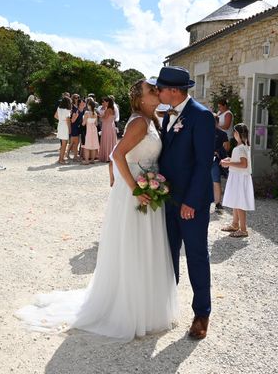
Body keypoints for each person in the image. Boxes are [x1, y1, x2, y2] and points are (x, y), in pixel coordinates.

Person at [16, 80, 179, 341]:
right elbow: (117, 154)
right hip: (136, 191)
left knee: (147, 246)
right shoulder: (138, 122)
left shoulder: (152, 120)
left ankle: (146, 307)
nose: (157, 92)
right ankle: (129, 310)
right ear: (140, 99)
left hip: (149, 186)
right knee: (135, 246)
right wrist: (136, 187)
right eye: (152, 91)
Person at [156, 66, 215, 340]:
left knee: (196, 256)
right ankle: (167, 306)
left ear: (175, 91)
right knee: (168, 254)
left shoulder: (201, 116)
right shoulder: (167, 115)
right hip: (167, 199)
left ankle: (202, 313)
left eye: (161, 88)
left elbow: (204, 163)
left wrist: (191, 201)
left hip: (192, 203)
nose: (157, 92)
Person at [220, 124, 255, 237]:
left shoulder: (240, 148)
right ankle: (235, 224)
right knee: (236, 201)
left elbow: (243, 164)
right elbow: (240, 161)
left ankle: (243, 229)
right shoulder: (242, 147)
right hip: (237, 177)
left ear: (238, 134)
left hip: (240, 178)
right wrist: (229, 159)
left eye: (234, 132)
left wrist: (228, 163)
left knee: (240, 203)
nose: (233, 134)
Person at [212, 114, 229, 212]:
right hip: (205, 159)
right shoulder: (203, 132)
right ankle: (215, 202)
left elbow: (226, 148)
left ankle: (217, 202)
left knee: (215, 181)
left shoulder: (222, 134)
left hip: (215, 159)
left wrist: (218, 151)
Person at [98, 97, 117, 162]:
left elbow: (105, 118)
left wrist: (99, 116)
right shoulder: (112, 109)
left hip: (107, 126)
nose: (103, 103)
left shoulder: (108, 109)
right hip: (111, 126)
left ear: (108, 102)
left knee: (107, 140)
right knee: (110, 140)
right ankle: (110, 155)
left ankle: (107, 156)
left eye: (104, 102)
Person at [54, 96, 72, 164]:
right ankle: (61, 159)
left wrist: (61, 119)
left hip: (60, 125)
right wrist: (70, 129)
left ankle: (61, 158)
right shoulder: (67, 110)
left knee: (63, 144)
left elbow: (55, 116)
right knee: (64, 144)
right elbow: (68, 121)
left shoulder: (59, 108)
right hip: (65, 127)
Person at [81, 99, 99, 164]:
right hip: (94, 130)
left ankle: (86, 161)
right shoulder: (95, 113)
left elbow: (83, 123)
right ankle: (92, 160)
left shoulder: (86, 113)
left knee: (87, 146)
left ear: (89, 105)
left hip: (88, 130)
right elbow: (96, 124)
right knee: (93, 145)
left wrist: (82, 120)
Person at [68, 94, 83, 161]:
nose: (77, 99)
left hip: (78, 125)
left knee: (76, 142)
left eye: (78, 97)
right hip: (74, 125)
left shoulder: (78, 106)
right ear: (73, 99)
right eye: (76, 98)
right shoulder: (72, 107)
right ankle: (72, 155)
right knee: (73, 142)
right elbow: (72, 119)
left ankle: (73, 156)